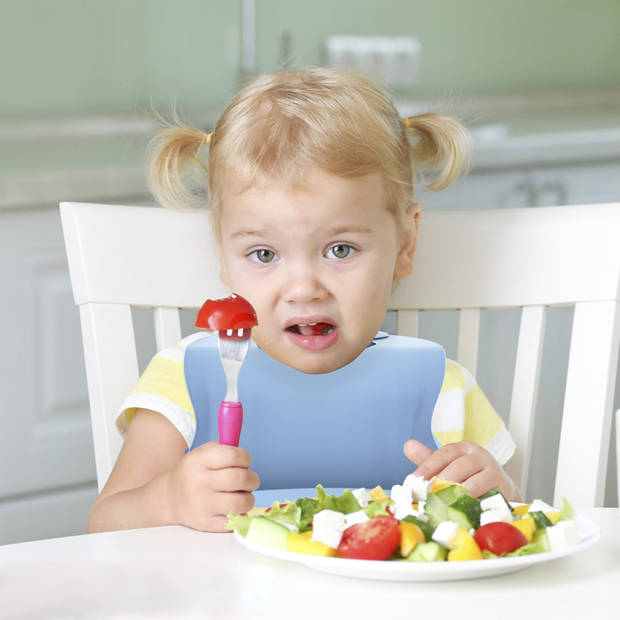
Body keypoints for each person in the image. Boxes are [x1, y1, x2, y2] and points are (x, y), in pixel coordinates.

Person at [87, 67, 520, 534]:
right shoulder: (185, 382)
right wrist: (167, 499)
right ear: (223, 254)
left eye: (340, 250)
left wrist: (500, 496)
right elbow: (104, 526)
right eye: (264, 253)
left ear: (406, 242)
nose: (304, 288)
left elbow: (519, 525)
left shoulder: (444, 390)